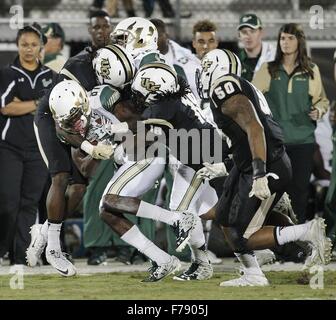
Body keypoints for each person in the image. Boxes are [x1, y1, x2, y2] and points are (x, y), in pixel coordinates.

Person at [196, 48, 332, 286]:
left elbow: (255, 129)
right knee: (225, 217)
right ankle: (254, 272)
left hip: (265, 165)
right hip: (251, 163)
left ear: (218, 68)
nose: (202, 71)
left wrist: (260, 174)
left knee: (245, 235)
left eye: (206, 66)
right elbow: (242, 138)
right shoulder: (236, 86)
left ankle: (308, 232)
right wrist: (226, 166)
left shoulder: (223, 88)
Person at [26, 10, 113, 276]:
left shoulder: (112, 62)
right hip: (52, 117)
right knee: (61, 176)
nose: (100, 31)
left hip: (78, 121)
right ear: (90, 31)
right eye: (95, 27)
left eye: (104, 27)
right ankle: (53, 248)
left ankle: (45, 230)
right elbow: (63, 126)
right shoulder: (79, 66)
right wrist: (90, 147)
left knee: (79, 188)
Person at [252, 23, 329, 223]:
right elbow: (253, 98)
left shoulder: (312, 70)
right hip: (276, 143)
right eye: (282, 38)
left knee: (299, 193)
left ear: (299, 41)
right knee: (274, 193)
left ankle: (297, 239)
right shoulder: (268, 69)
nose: (285, 43)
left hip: (303, 141)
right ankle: (275, 239)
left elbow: (322, 100)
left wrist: (318, 110)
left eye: (290, 38)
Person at [0, 25, 54, 265]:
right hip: (9, 148)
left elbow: (55, 107)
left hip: (39, 150)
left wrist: (25, 103)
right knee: (8, 202)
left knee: (29, 204)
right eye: (24, 44)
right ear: (18, 45)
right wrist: (37, 102)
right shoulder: (8, 73)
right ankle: (2, 247)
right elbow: (6, 106)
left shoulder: (50, 76)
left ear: (41, 46)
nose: (29, 49)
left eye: (33, 44)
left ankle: (18, 257)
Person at [150, 18, 201, 101]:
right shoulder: (139, 57)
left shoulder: (185, 57)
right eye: (150, 37)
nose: (153, 41)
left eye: (157, 36)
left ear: (166, 36)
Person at [237, 13, 276, 82]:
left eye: (252, 31)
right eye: (244, 32)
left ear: (261, 33)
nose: (248, 36)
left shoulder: (274, 56)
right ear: (239, 35)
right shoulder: (236, 60)